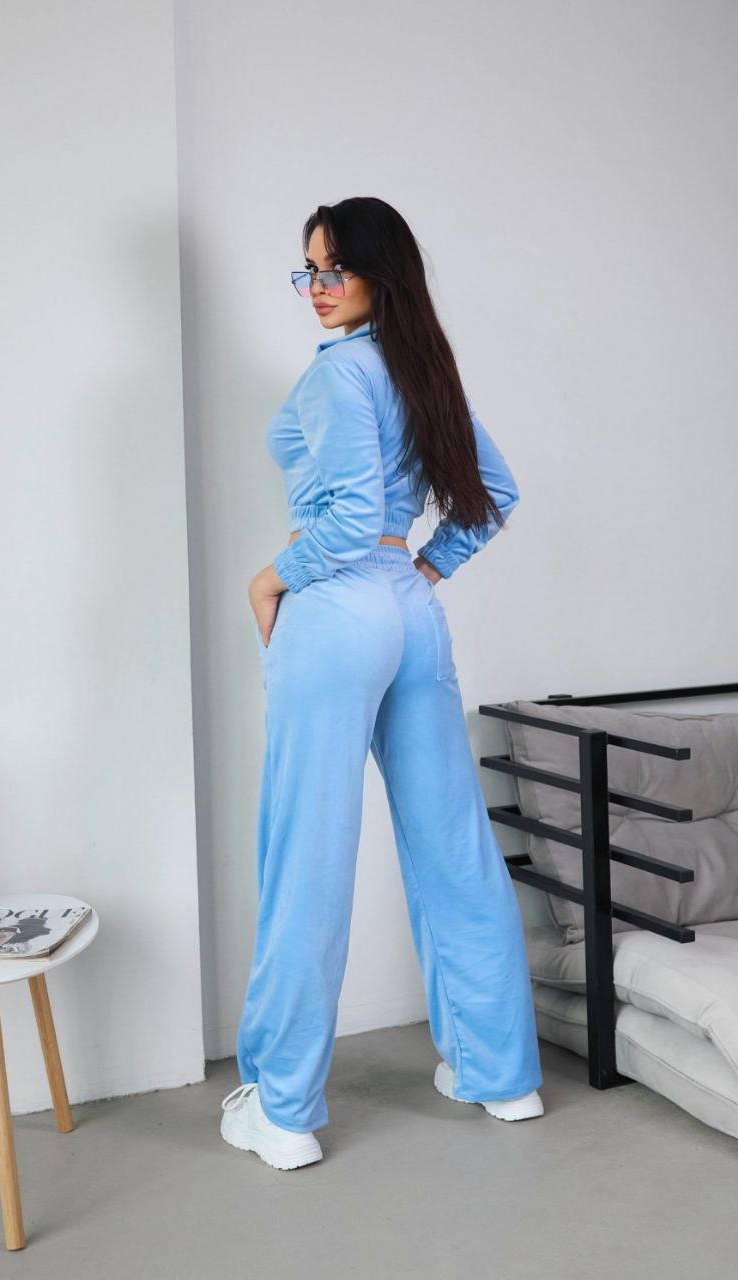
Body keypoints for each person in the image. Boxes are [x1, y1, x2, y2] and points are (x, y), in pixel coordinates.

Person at [221, 197, 544, 1171]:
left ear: (379, 275)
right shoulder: (419, 370)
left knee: (306, 852)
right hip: (407, 609)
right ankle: (501, 1074)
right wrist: (423, 568)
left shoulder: (337, 375)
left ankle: (282, 1110)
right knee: (452, 842)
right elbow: (494, 494)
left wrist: (272, 576)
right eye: (307, 270)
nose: (316, 288)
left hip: (335, 609)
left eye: (335, 270)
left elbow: (351, 511)